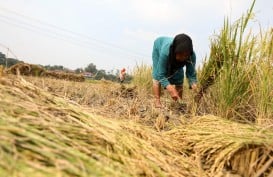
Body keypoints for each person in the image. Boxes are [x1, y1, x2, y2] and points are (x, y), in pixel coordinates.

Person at [152, 33, 197, 108]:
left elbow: (191, 73)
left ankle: (178, 103)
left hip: (175, 61)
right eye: (180, 55)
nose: (183, 58)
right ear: (175, 51)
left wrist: (193, 84)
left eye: (186, 56)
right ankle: (157, 102)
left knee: (179, 78)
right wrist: (170, 88)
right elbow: (161, 74)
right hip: (159, 47)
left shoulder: (191, 55)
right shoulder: (165, 52)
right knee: (157, 75)